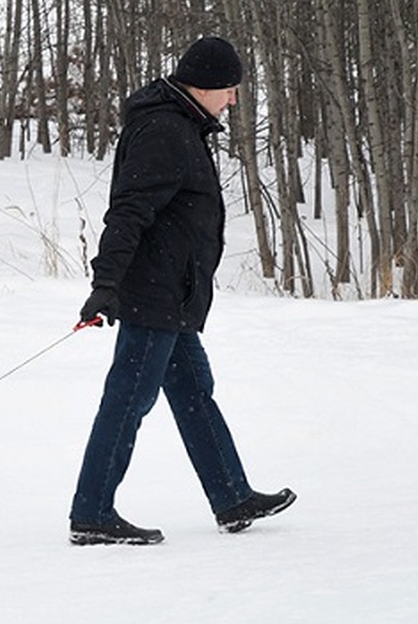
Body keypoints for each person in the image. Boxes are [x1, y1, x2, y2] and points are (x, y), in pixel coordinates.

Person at [69, 36, 296, 545]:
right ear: (207, 84)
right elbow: (128, 213)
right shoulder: (164, 132)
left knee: (194, 391)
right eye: (231, 90)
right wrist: (105, 284)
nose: (233, 101)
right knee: (129, 399)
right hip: (155, 294)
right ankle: (92, 512)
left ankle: (232, 496)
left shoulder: (181, 126)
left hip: (173, 293)